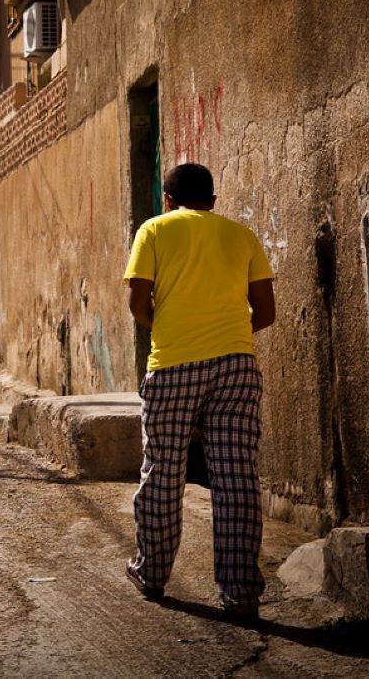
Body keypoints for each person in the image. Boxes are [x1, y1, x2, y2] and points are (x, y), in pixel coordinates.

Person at [122, 162, 276, 620]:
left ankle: (151, 575)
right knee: (236, 478)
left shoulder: (153, 230)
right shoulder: (241, 235)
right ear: (213, 200)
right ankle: (241, 594)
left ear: (167, 200)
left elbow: (137, 302)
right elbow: (265, 312)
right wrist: (229, 336)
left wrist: (171, 329)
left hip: (172, 366)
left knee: (164, 472)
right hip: (237, 366)